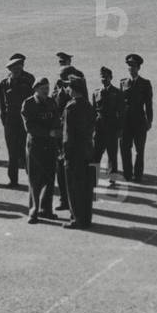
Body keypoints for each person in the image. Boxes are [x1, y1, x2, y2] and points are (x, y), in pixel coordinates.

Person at [21, 77, 61, 224]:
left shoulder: (51, 102)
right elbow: (29, 127)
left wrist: (56, 135)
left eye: (47, 88)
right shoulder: (28, 104)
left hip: (50, 146)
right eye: (43, 88)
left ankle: (46, 210)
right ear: (36, 89)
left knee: (49, 179)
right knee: (35, 180)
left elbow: (56, 120)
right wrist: (49, 133)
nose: (46, 90)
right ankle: (33, 212)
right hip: (35, 147)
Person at [61, 76, 95, 229]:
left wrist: (65, 154)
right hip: (88, 151)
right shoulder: (88, 105)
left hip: (74, 154)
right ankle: (86, 219)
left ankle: (77, 219)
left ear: (74, 89)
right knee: (87, 188)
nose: (67, 89)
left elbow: (67, 135)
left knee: (74, 188)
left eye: (69, 87)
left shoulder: (71, 107)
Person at [0, 55, 35, 187]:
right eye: (15, 69)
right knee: (12, 152)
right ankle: (13, 180)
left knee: (26, 151)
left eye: (19, 68)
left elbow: (32, 101)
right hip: (10, 121)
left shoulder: (28, 81)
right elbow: (2, 105)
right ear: (10, 69)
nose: (18, 71)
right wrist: (4, 120)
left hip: (24, 121)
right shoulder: (3, 84)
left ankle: (32, 179)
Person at [52, 53, 82, 210]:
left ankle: (75, 201)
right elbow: (54, 103)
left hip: (74, 134)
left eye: (64, 62)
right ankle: (64, 200)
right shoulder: (59, 83)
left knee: (75, 169)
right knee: (60, 167)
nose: (61, 64)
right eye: (60, 62)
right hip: (61, 132)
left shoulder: (78, 81)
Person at [120, 53, 154, 182]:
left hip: (139, 121)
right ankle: (127, 174)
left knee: (139, 150)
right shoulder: (123, 82)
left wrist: (149, 120)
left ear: (138, 68)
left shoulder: (145, 83)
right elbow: (120, 103)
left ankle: (138, 174)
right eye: (129, 65)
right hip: (125, 122)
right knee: (124, 149)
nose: (131, 68)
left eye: (133, 66)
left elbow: (148, 104)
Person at [92, 66, 126, 184]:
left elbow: (121, 112)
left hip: (112, 127)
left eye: (106, 77)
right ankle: (93, 178)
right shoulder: (96, 92)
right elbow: (93, 111)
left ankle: (112, 178)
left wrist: (120, 129)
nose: (104, 80)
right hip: (99, 128)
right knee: (96, 154)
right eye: (102, 77)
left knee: (112, 155)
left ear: (111, 78)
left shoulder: (117, 93)